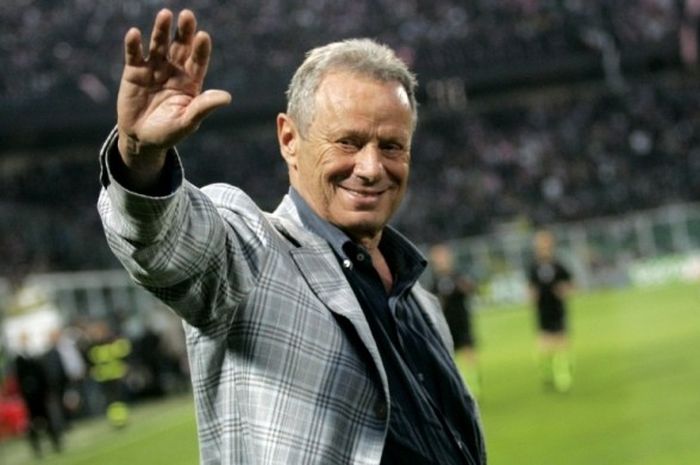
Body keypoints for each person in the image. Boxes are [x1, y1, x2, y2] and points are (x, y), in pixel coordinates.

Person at [97, 8, 485, 465]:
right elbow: (167, 245)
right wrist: (140, 156)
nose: (371, 167)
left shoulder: (422, 303)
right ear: (288, 139)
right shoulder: (252, 249)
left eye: (391, 146)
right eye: (348, 142)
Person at [429, 243, 481, 397]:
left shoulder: (459, 276)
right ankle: (458, 389)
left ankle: (474, 388)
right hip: (444, 325)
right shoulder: (434, 282)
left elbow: (472, 290)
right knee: (448, 357)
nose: (442, 261)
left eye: (444, 257)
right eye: (438, 259)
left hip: (462, 320)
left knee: (468, 353)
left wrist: (466, 287)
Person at [527, 229, 574, 393]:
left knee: (561, 343)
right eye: (541, 243)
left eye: (547, 243)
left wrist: (565, 290)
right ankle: (547, 374)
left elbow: (570, 284)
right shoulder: (533, 267)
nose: (544, 247)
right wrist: (531, 296)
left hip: (558, 308)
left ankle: (563, 379)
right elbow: (530, 289)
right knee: (544, 346)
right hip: (542, 310)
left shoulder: (559, 265)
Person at [14, 332, 63, 457]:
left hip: (40, 395)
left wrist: (46, 390)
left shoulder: (33, 356)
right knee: (33, 423)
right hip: (30, 397)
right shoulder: (19, 359)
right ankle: (37, 449)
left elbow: (42, 375)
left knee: (47, 420)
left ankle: (55, 443)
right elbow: (19, 380)